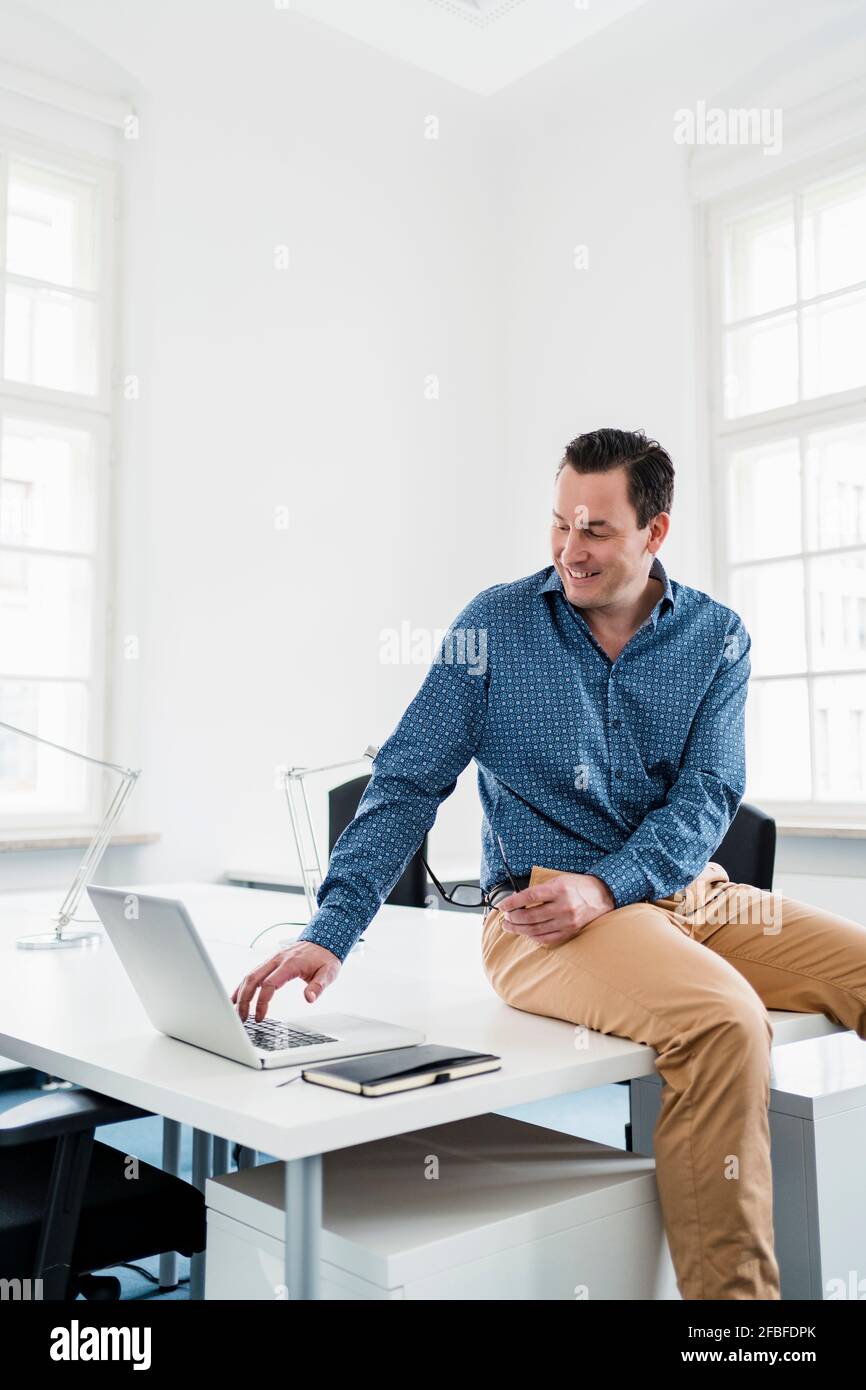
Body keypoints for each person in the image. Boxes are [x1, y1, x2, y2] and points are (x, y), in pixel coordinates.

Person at [233, 426, 866, 1300]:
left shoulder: (716, 636)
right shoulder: (493, 626)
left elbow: (710, 797)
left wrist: (612, 884)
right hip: (538, 915)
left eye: (597, 530)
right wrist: (331, 931)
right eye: (560, 524)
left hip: (687, 893)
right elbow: (409, 781)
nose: (571, 550)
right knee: (725, 1023)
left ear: (656, 532)